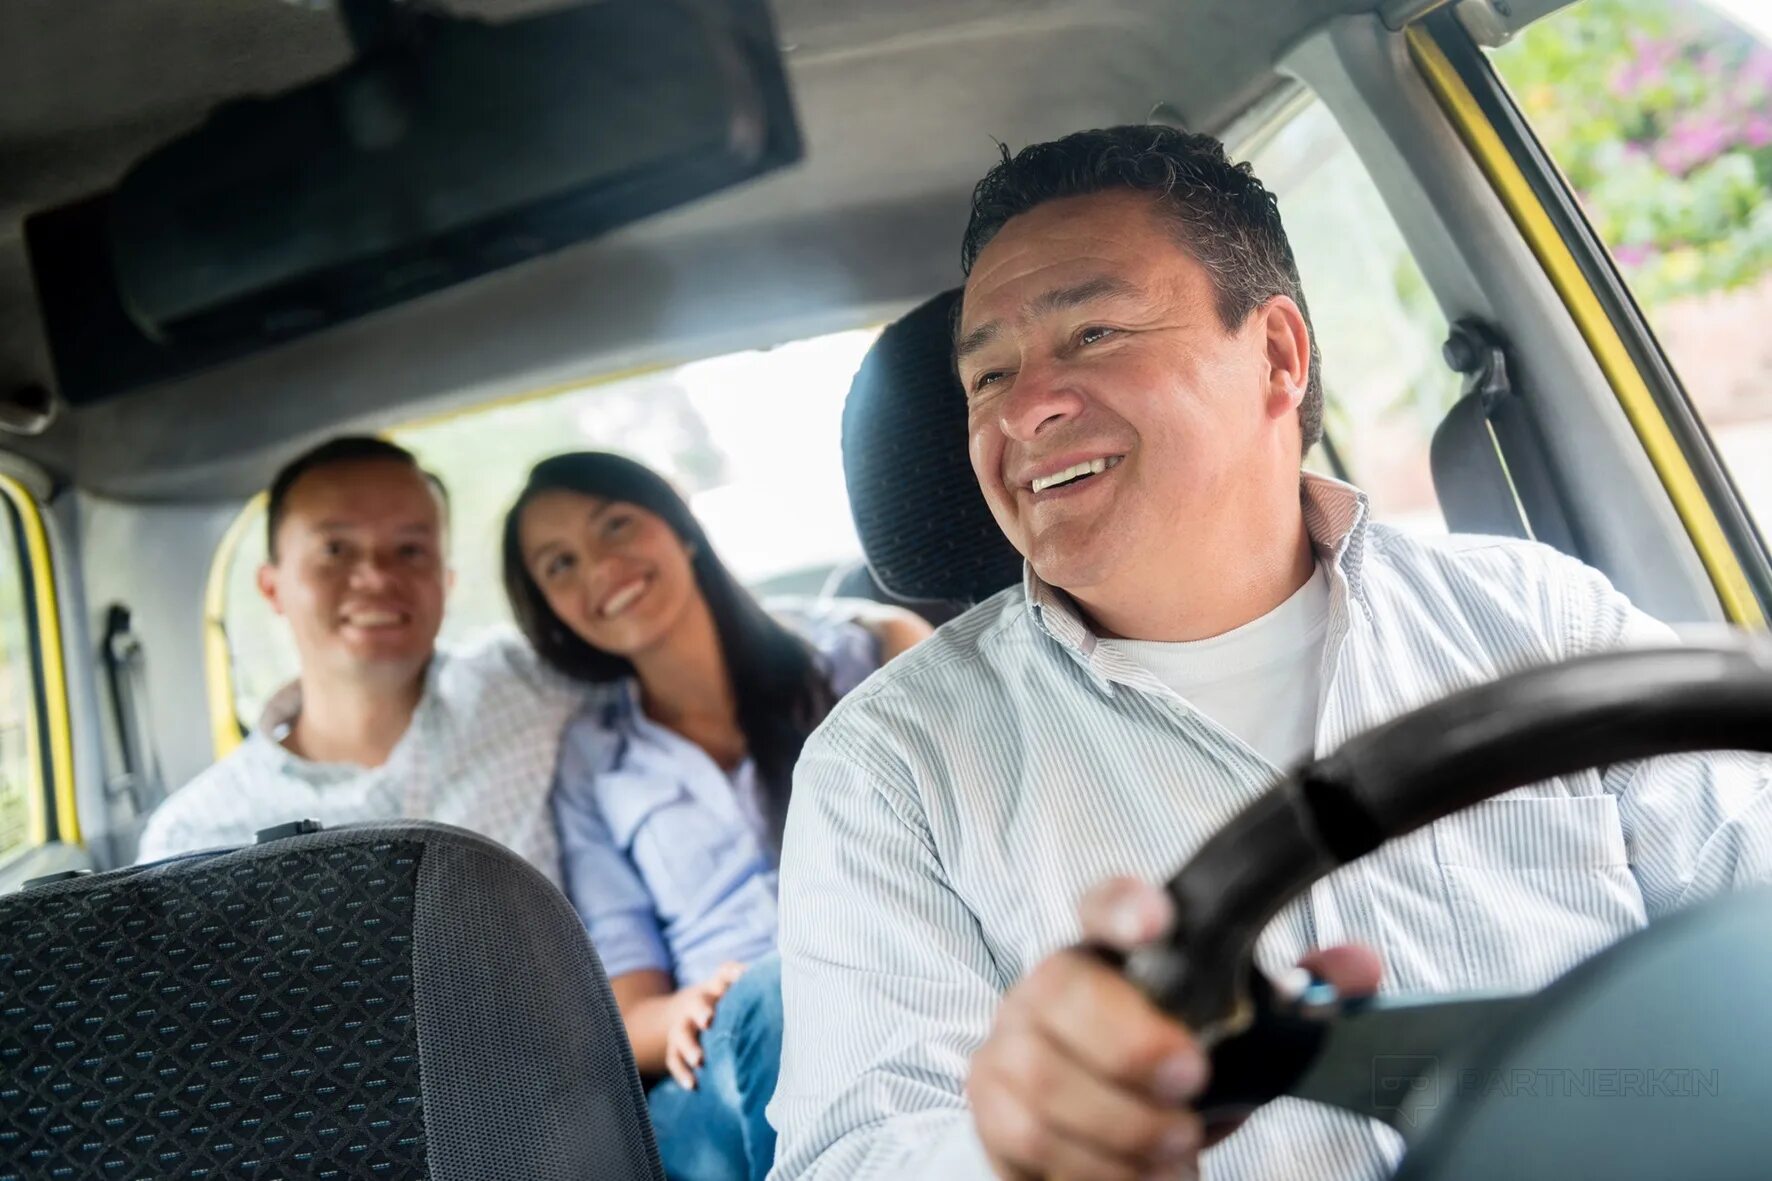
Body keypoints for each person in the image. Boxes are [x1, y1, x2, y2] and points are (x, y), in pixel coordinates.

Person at [768, 126, 1772, 1180]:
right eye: (987, 376)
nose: (1023, 408)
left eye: (1094, 333)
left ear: (1277, 356)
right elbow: (854, 1156)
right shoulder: (886, 768)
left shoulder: (1539, 618)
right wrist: (1018, 1146)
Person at [501, 451, 930, 1181]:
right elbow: (629, 1011)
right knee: (776, 992)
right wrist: (679, 1014)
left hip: (898, 989)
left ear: (679, 525)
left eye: (615, 526)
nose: (600, 568)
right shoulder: (591, 761)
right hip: (722, 1059)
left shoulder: (855, 659)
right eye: (560, 564)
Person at [137, 436, 584, 883]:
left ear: (446, 581)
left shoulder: (531, 684)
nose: (376, 577)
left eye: (410, 550)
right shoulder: (194, 840)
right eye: (335, 550)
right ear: (272, 588)